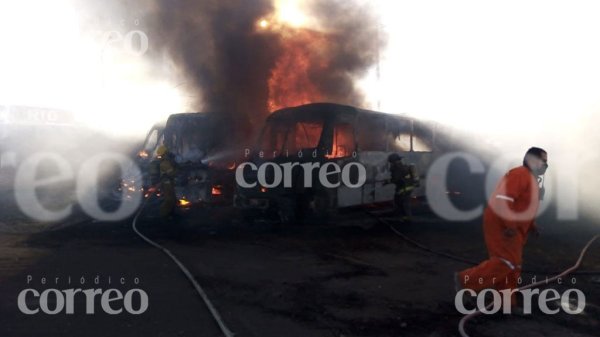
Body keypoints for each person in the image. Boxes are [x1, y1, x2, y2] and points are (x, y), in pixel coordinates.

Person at [456, 147, 548, 308]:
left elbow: (524, 206)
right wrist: (510, 225)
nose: (546, 165)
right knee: (506, 262)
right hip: (502, 224)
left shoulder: (531, 179)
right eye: (543, 161)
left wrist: (532, 225)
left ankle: (506, 303)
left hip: (514, 226)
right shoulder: (519, 174)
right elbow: (502, 199)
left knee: (514, 265)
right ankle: (465, 281)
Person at [388, 153, 419, 222]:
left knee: (401, 203)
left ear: (394, 161)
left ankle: (406, 218)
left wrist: (388, 181)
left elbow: (395, 179)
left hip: (403, 189)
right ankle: (405, 217)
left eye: (391, 162)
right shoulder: (404, 166)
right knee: (404, 202)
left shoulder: (397, 168)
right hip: (408, 187)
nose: (390, 163)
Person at [155, 145, 178, 218]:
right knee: (169, 200)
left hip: (168, 183)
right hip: (167, 184)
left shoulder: (166, 162)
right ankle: (164, 215)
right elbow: (172, 173)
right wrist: (178, 169)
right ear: (165, 154)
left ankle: (171, 213)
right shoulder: (165, 163)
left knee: (172, 199)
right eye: (167, 152)